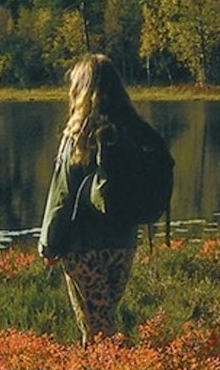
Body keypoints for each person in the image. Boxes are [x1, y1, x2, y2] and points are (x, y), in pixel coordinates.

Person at [38, 53, 149, 347]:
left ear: (81, 90)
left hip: (84, 249)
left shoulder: (77, 136)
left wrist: (49, 245)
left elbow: (61, 195)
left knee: (97, 330)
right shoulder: (131, 131)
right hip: (123, 246)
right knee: (104, 319)